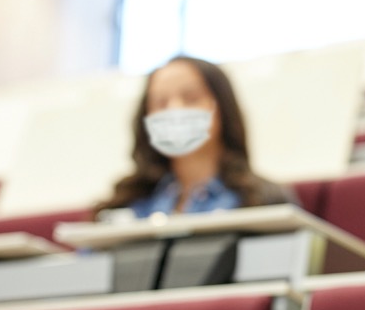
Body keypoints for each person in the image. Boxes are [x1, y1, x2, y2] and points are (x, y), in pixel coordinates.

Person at [96, 55, 289, 217]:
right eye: (161, 103)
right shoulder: (124, 207)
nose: (175, 110)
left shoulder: (263, 201)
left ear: (222, 108)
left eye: (191, 98)